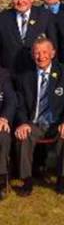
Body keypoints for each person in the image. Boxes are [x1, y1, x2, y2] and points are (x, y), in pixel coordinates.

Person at [13, 36, 64, 196]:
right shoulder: (24, 77)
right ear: (32, 55)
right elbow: (19, 104)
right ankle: (27, 181)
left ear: (53, 53)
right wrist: (23, 123)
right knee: (23, 135)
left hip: (57, 122)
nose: (41, 56)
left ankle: (61, 180)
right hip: (34, 123)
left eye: (44, 52)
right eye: (36, 53)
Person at [0, 0, 55, 74]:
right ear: (12, 0)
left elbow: (53, 43)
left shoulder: (44, 15)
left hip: (36, 73)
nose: (20, 1)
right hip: (9, 73)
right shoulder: (3, 18)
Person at [0, 64, 16, 198]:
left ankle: (1, 179)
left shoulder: (3, 74)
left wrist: (4, 118)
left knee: (3, 136)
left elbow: (11, 100)